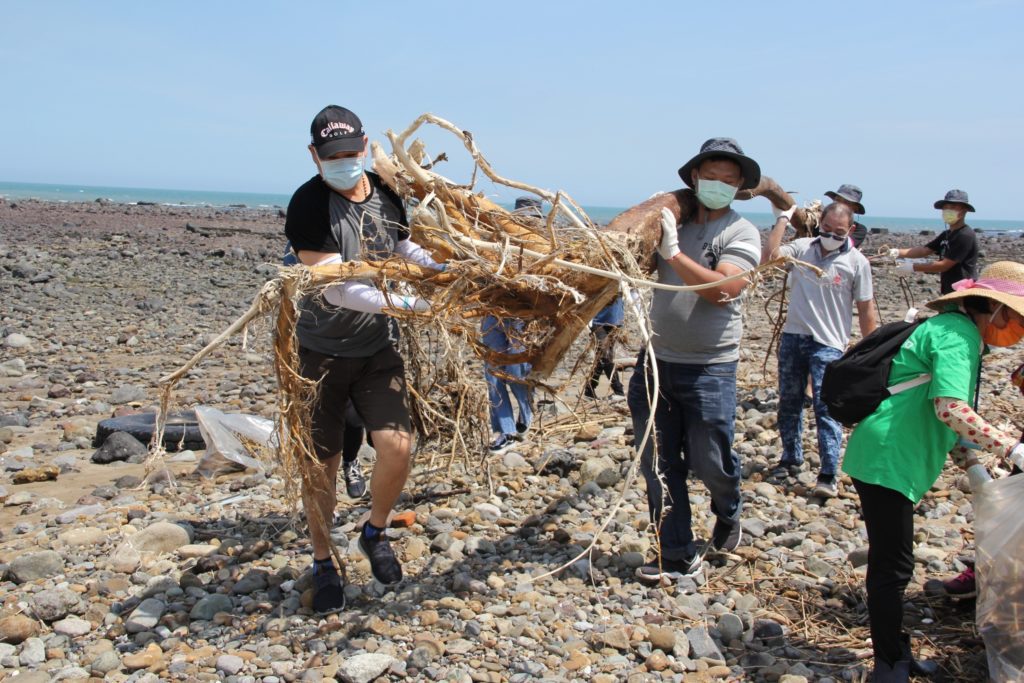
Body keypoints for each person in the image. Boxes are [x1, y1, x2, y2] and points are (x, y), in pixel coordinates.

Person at [283, 105, 444, 614]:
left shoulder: (385, 191)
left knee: (397, 447)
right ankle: (324, 560)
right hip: (320, 355)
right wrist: (410, 305)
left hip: (376, 349)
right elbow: (338, 290)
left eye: (352, 153)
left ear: (364, 144)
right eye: (333, 156)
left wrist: (440, 270)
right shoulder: (307, 206)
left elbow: (402, 245)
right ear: (314, 156)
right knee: (321, 467)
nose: (345, 163)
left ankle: (374, 532)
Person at [841, 261, 1024, 681]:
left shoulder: (953, 330)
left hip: (892, 453)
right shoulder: (958, 338)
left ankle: (897, 653)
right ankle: (887, 665)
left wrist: (973, 463)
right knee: (893, 567)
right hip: (888, 456)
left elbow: (940, 408)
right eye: (1015, 317)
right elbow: (951, 408)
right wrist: (1012, 448)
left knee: (894, 562)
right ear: (995, 309)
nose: (1017, 327)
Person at [629, 138, 763, 583]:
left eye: (730, 180)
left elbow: (724, 290)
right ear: (694, 179)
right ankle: (676, 552)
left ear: (740, 185)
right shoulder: (671, 224)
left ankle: (729, 508)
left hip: (710, 366)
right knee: (659, 464)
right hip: (656, 361)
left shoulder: (741, 232)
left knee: (710, 461)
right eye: (712, 177)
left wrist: (675, 255)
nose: (720, 185)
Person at [763, 202, 878, 497]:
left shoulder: (857, 262)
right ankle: (791, 458)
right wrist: (782, 220)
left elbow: (866, 310)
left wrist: (872, 351)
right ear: (819, 224)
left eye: (839, 231)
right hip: (794, 337)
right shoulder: (803, 248)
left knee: (825, 408)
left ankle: (828, 473)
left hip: (829, 344)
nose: (831, 235)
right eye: (826, 229)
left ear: (850, 230)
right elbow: (771, 257)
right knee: (789, 402)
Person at [482, 197, 539, 453]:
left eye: (532, 218)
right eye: (522, 218)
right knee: (493, 373)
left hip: (526, 317)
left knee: (517, 371)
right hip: (494, 312)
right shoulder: (497, 241)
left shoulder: (543, 247)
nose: (526, 223)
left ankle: (526, 415)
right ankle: (504, 430)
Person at [887, 189, 979, 294]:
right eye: (945, 208)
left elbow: (944, 265)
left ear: (963, 211)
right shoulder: (947, 234)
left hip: (963, 291)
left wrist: (911, 267)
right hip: (949, 288)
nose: (947, 211)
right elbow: (924, 250)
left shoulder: (965, 235)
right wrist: (896, 252)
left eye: (953, 207)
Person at [585, 296, 625, 398]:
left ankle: (589, 389)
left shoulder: (621, 282)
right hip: (598, 323)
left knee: (601, 358)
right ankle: (618, 390)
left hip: (616, 321)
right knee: (605, 355)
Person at [824, 183, 869, 249]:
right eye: (837, 200)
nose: (840, 205)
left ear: (855, 208)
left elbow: (844, 246)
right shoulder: (820, 222)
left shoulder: (859, 229)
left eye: (846, 202)